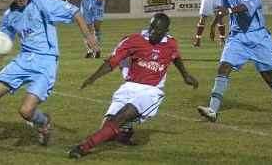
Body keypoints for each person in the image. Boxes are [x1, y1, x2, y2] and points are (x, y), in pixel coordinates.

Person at [0, 0, 99, 149]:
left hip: (45, 63)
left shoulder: (42, 4)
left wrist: (89, 37)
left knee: (26, 112)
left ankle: (43, 121)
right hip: (23, 60)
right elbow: (1, 48)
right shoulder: (9, 16)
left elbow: (75, 12)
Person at [69, 13, 198, 158]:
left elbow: (175, 57)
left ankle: (84, 147)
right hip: (129, 87)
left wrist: (185, 75)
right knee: (108, 127)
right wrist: (93, 78)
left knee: (121, 117)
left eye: (158, 30)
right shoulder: (133, 40)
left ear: (166, 31)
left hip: (151, 91)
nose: (153, 32)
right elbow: (112, 61)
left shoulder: (171, 43)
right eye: (152, 28)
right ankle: (125, 133)